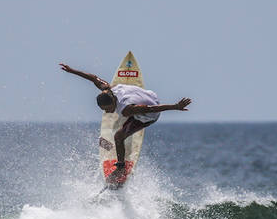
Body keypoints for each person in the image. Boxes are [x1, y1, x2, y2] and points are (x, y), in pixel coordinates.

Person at [60, 62, 192, 183]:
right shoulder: (109, 89)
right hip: (150, 95)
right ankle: (122, 132)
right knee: (120, 118)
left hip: (149, 116)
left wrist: (175, 106)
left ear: (113, 101)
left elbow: (150, 109)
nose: (106, 112)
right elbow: (94, 78)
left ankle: (121, 167)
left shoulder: (126, 109)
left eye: (107, 108)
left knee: (118, 136)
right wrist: (72, 71)